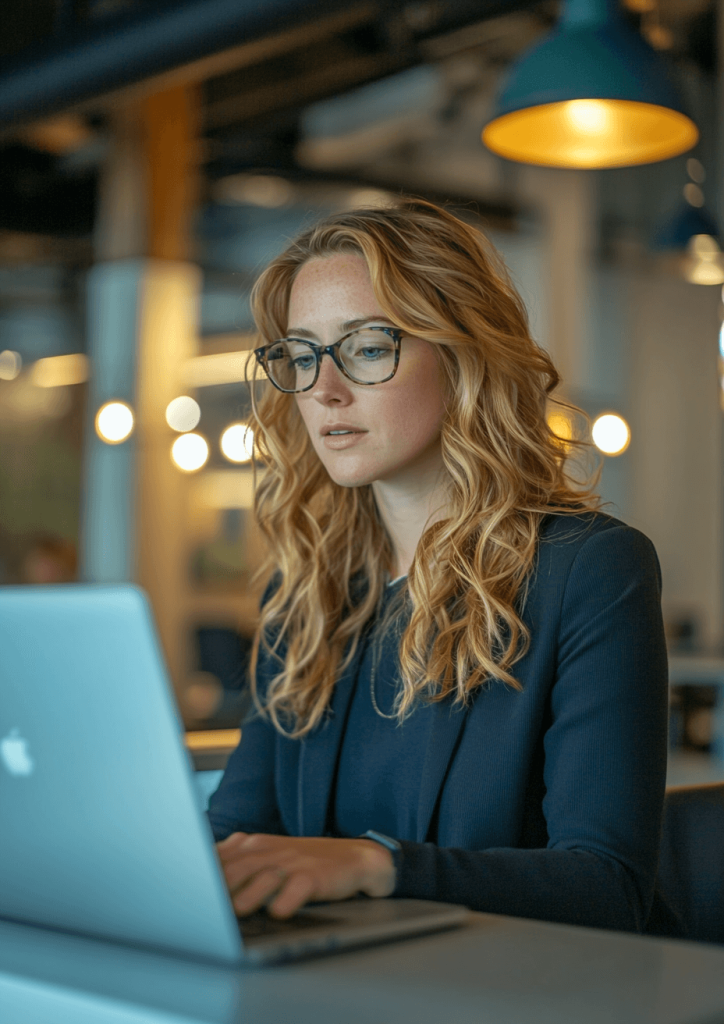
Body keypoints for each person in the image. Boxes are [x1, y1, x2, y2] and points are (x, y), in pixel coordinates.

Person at [208, 197, 680, 937]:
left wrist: (377, 865)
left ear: (462, 355)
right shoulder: (305, 596)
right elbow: (236, 833)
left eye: (366, 347)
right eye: (302, 356)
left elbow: (606, 883)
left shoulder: (590, 570)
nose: (324, 390)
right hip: (337, 990)